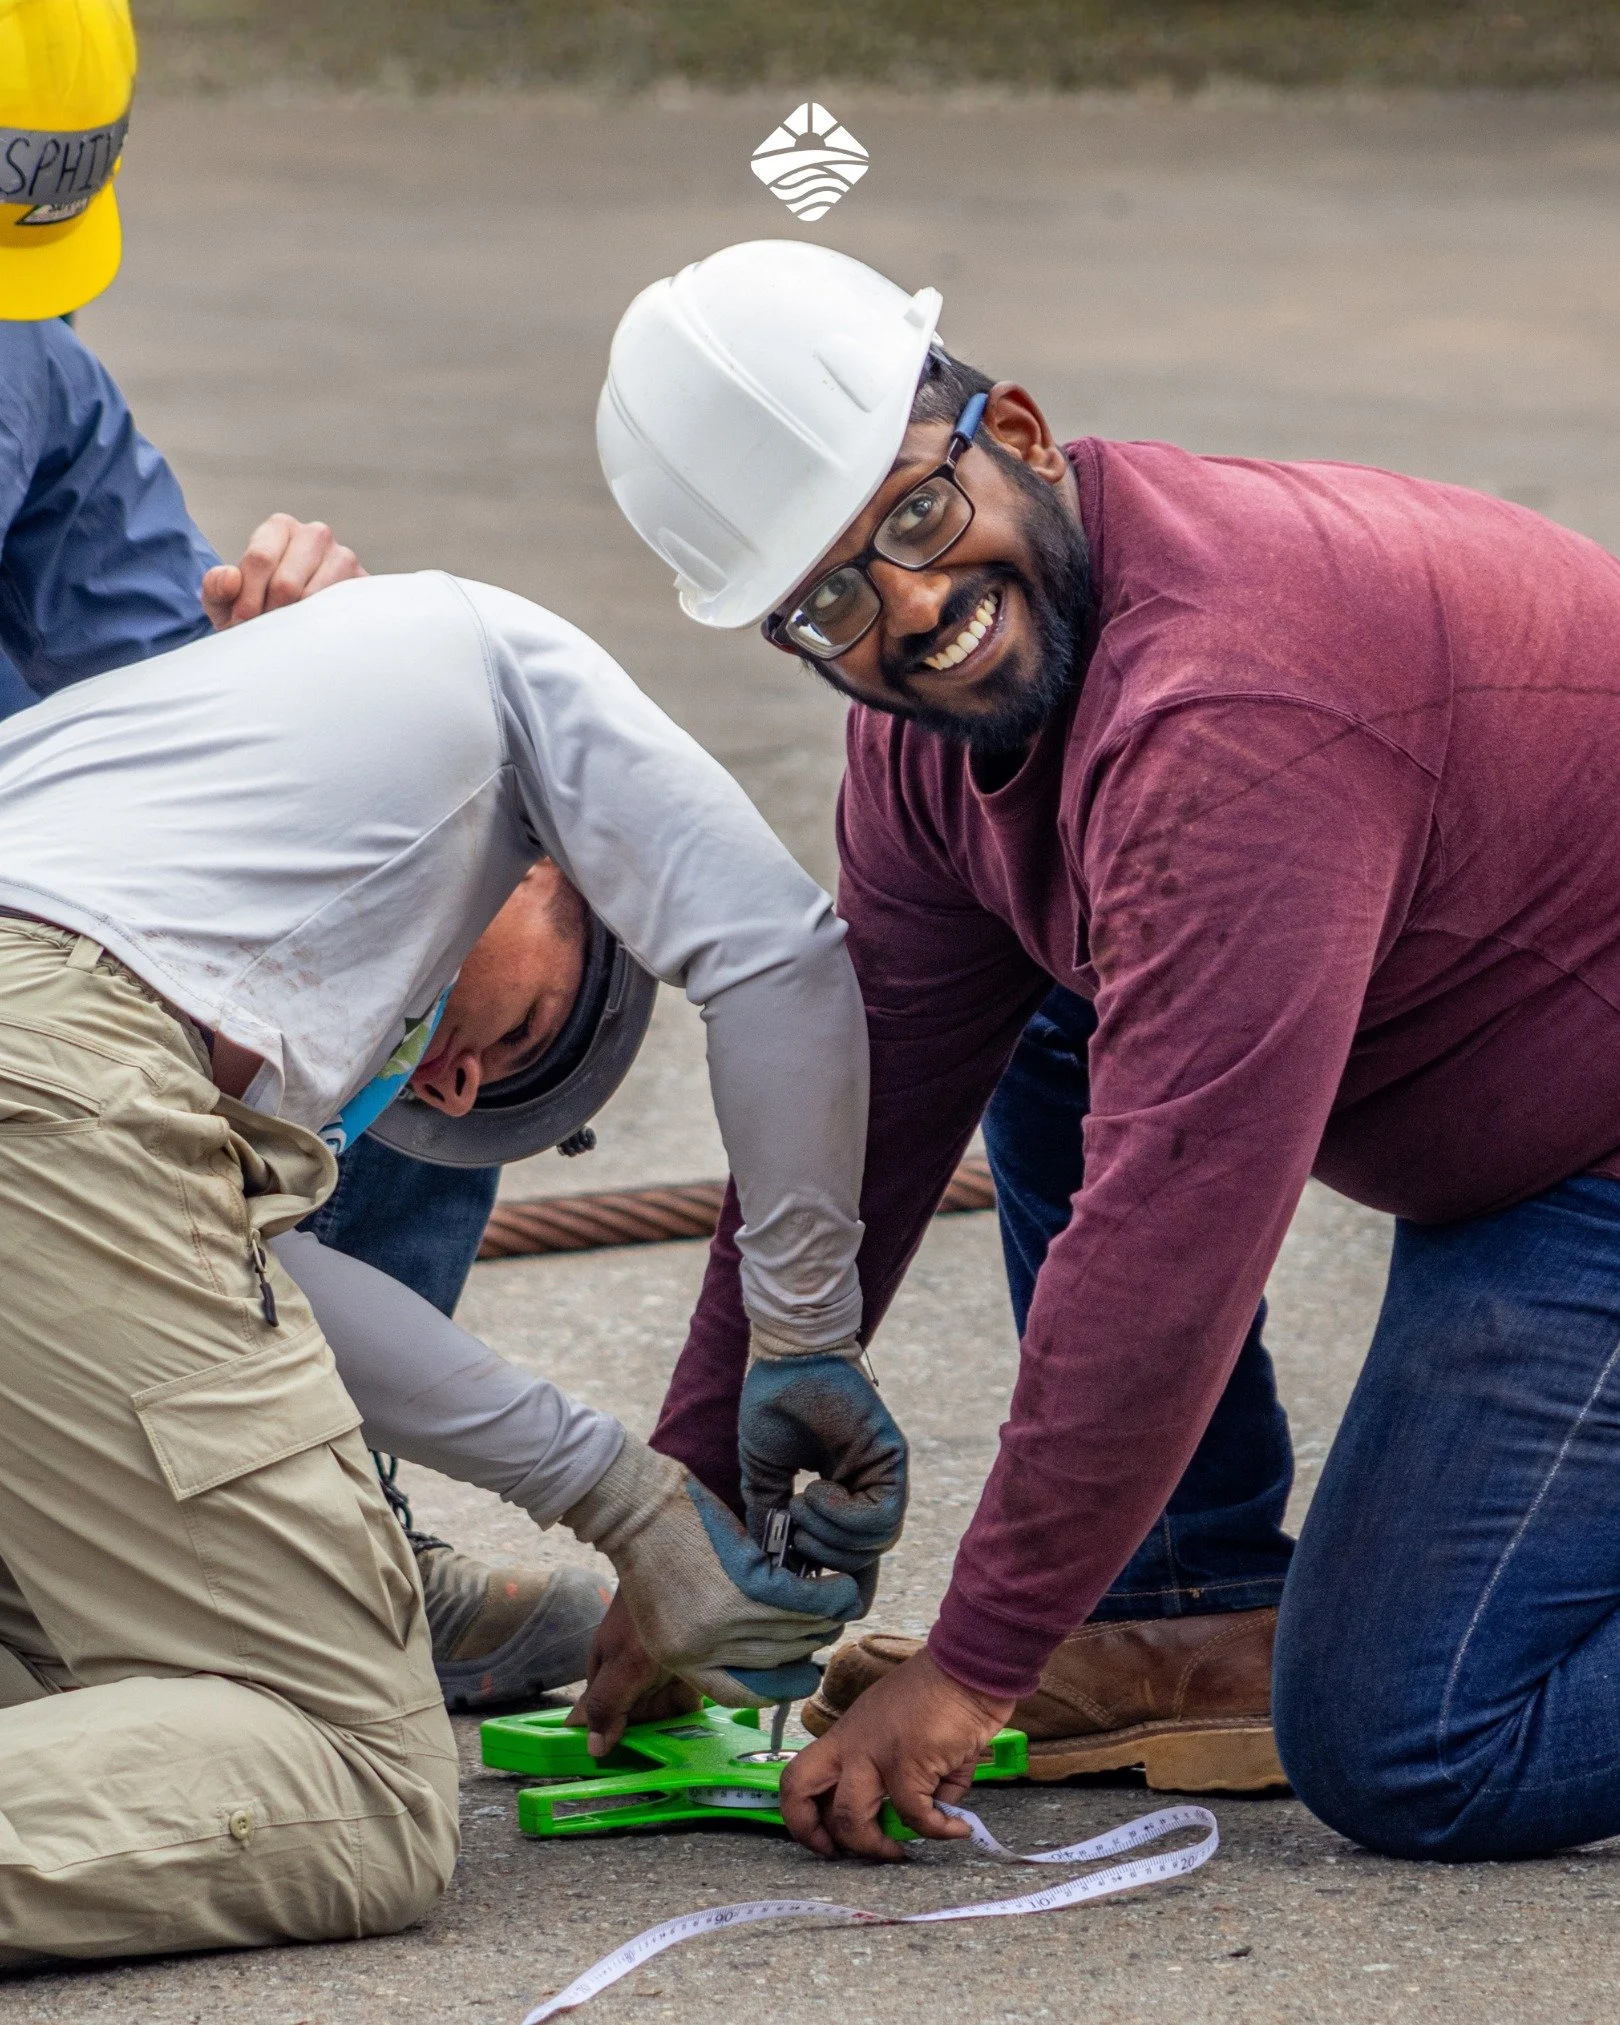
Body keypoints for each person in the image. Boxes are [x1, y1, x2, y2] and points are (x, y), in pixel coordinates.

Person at [595, 237, 1620, 1867]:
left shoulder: (1230, 719)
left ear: (1012, 429)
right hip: (1525, 1123)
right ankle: (1188, 1603)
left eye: (915, 518)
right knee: (1047, 997)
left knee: (1417, 1743)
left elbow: (1171, 1238)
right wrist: (686, 1506)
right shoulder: (937, 743)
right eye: (831, 600)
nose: (913, 608)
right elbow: (864, 1112)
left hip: (1588, 1163)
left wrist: (974, 1665)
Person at [0, 567, 893, 1959]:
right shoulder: (498, 662)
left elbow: (232, 1286)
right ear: (563, 869)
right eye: (522, 1029)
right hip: (39, 1073)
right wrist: (805, 1339)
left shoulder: (161, 803)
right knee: (347, 1778)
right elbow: (777, 954)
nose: (456, 1084)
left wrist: (629, 1502)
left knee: (67, 1679)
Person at [0, 0, 592, 1708]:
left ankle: (319, 1523)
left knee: (390, 962)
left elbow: (156, 698)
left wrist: (270, 683)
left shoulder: (39, 372)